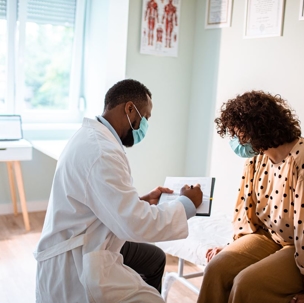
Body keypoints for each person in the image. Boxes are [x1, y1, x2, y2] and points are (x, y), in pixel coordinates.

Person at [34, 79, 203, 303]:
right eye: (146, 117)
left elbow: (101, 199)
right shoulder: (102, 152)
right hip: (78, 257)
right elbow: (135, 224)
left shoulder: (93, 137)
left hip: (92, 235)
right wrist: (186, 204)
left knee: (154, 258)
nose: (145, 126)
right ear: (130, 109)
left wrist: (141, 200)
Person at [197, 91, 304, 303]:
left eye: (237, 132)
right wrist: (233, 247)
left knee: (247, 283)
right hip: (272, 238)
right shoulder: (256, 159)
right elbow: (247, 214)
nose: (235, 140)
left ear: (257, 128)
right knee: (216, 269)